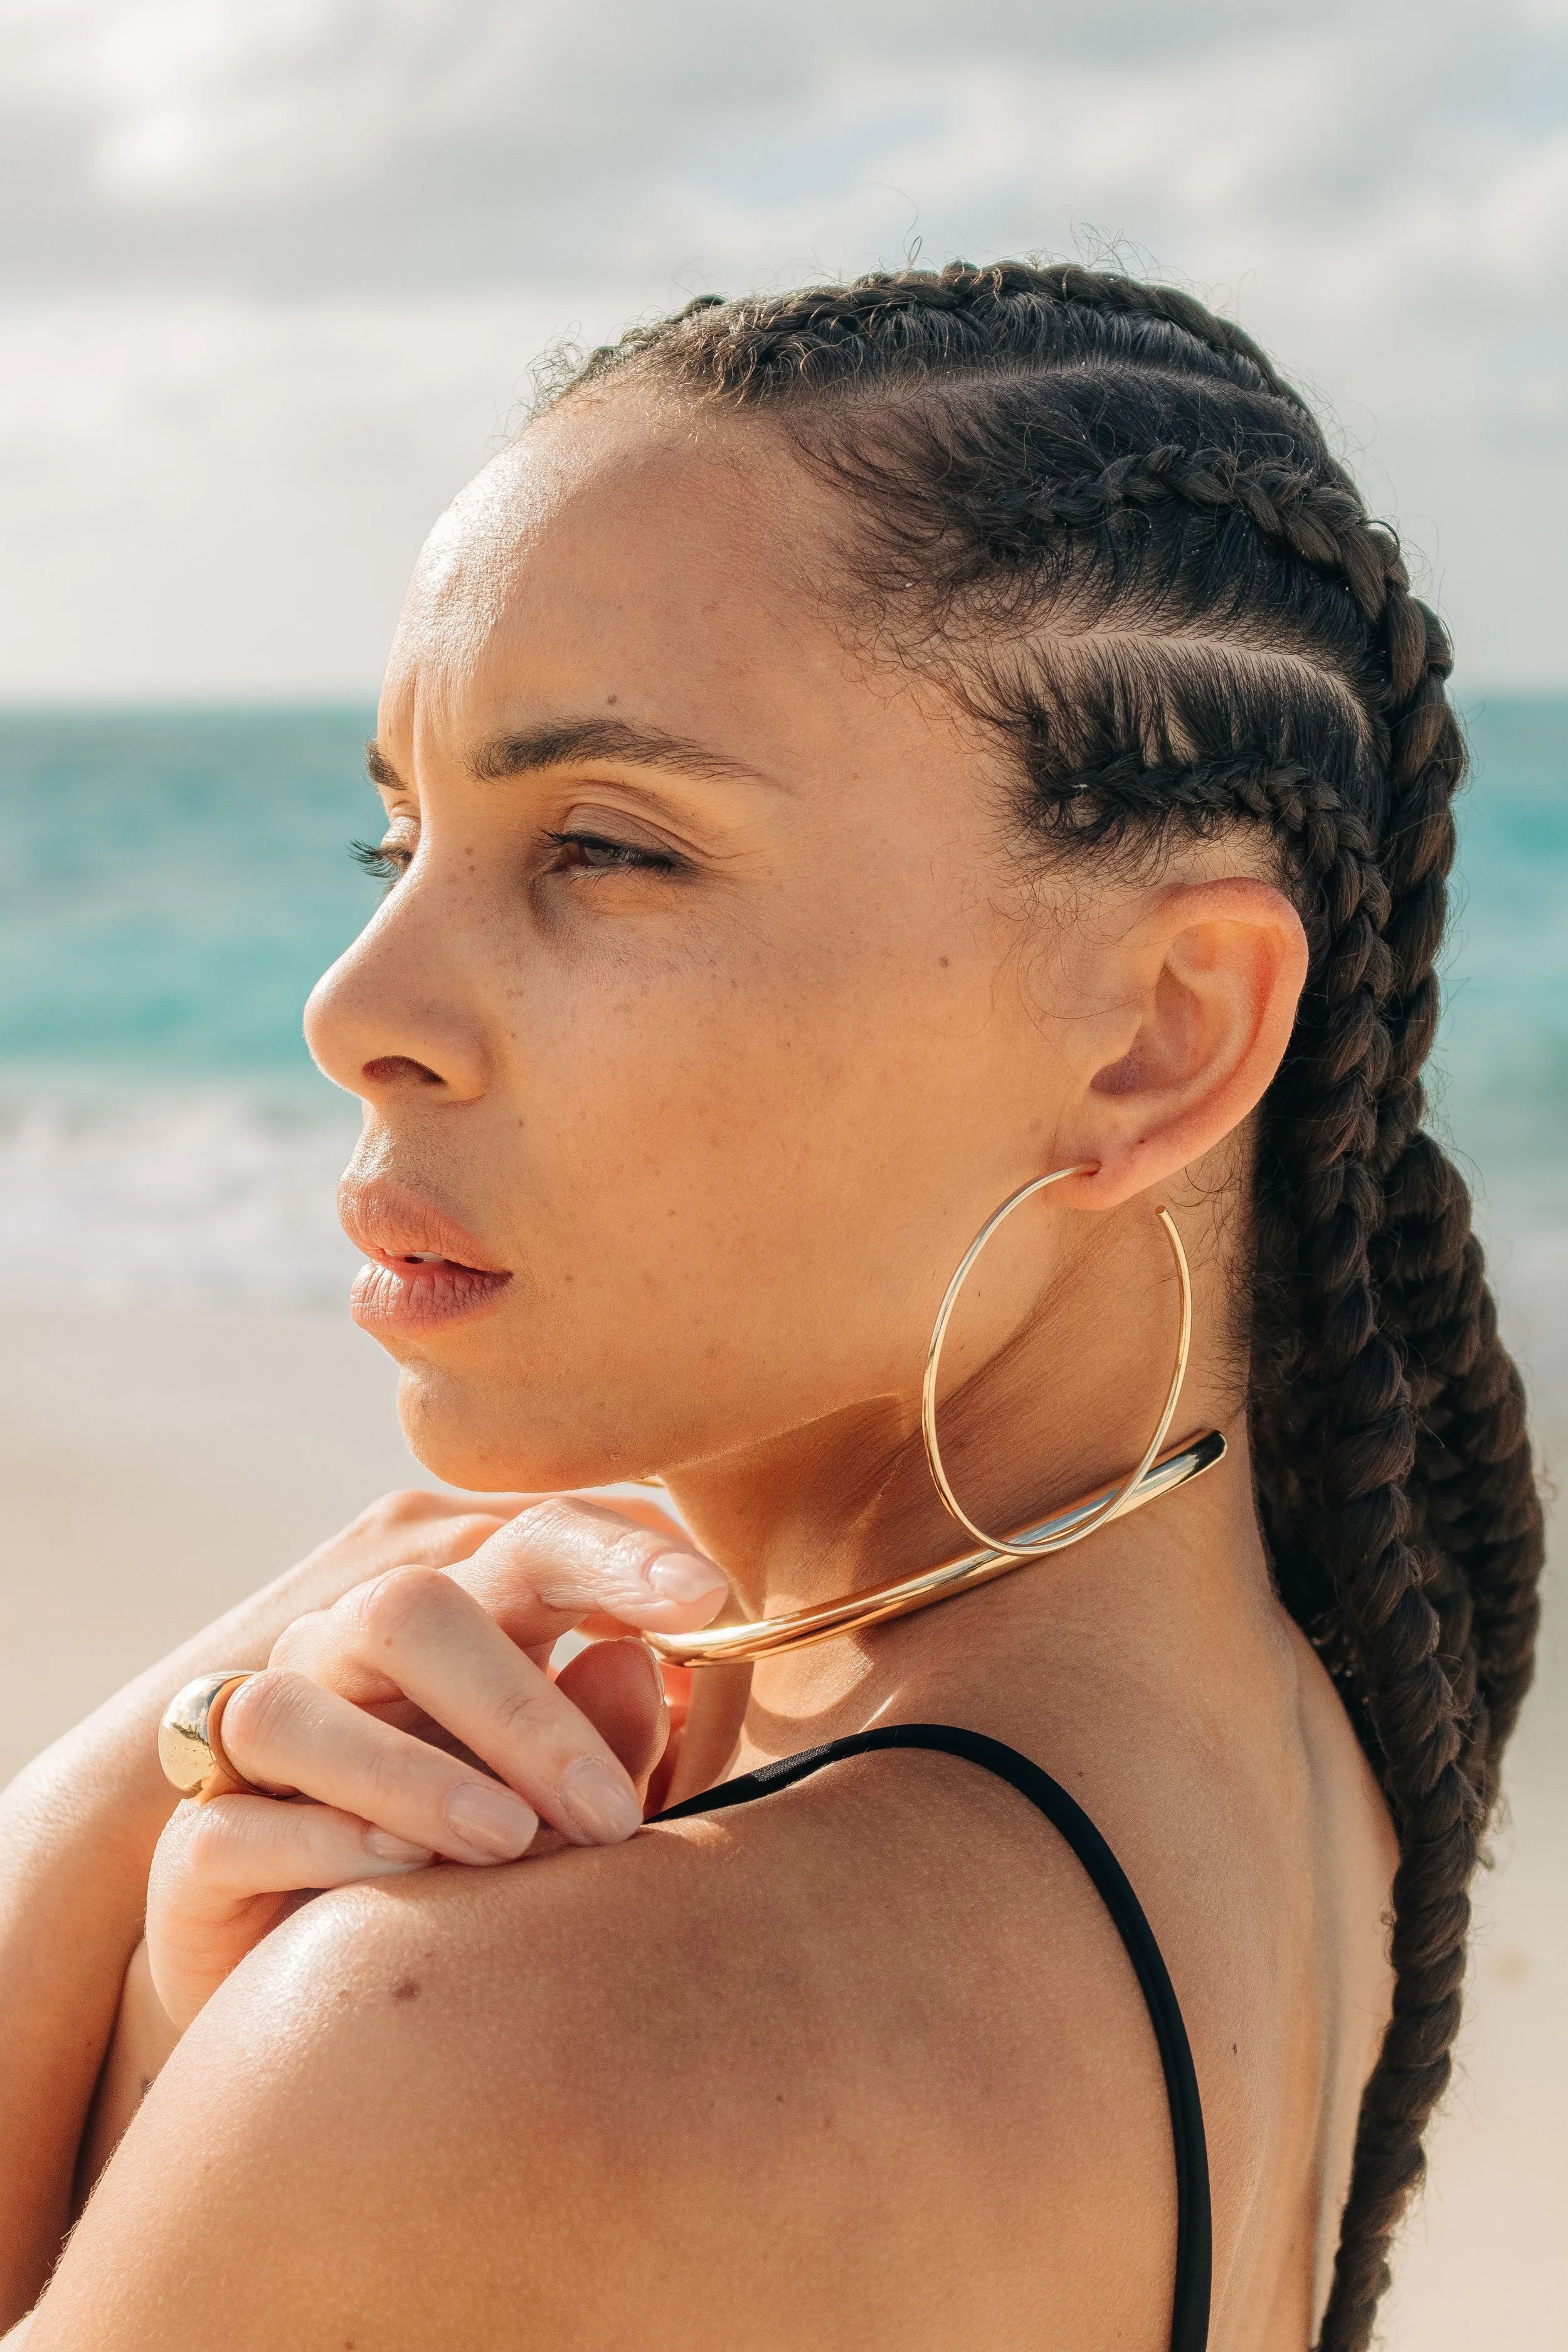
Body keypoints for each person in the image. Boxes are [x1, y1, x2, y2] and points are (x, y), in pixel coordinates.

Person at [0, 263, 1544, 2352]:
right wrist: (192, 1948)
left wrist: (165, 1838)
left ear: (1160, 1037)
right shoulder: (1294, 1750)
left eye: (609, 847)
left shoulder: (504, 2044)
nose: (356, 1010)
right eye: (398, 836)